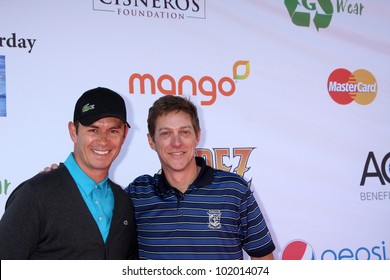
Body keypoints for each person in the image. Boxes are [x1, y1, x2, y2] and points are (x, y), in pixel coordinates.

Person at [125, 95, 275, 260]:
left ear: (197, 136)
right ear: (151, 141)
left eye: (185, 132)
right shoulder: (137, 194)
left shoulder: (233, 190)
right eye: (166, 133)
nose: (177, 142)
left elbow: (263, 259)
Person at [0, 87, 138, 259]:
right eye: (93, 130)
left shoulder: (123, 202)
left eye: (113, 131)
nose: (103, 140)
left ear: (124, 135)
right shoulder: (35, 195)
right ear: (73, 132)